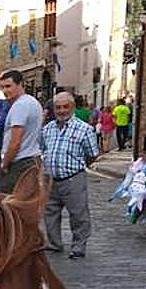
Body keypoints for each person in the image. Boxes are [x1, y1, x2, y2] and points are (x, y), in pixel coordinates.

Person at [41, 91, 99, 259]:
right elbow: (44, 149)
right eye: (58, 107)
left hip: (73, 178)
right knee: (50, 213)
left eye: (65, 107)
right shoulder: (48, 129)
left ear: (72, 107)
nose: (61, 111)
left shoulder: (85, 129)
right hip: (51, 179)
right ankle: (54, 243)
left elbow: (92, 154)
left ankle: (78, 246)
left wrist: (79, 167)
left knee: (78, 214)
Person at [0, 69, 44, 194]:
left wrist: (4, 164)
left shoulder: (20, 106)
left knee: (8, 205)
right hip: (31, 160)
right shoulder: (33, 102)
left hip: (20, 163)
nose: (5, 91)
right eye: (2, 87)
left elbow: (15, 142)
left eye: (8, 86)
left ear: (20, 85)